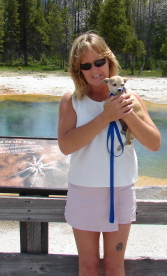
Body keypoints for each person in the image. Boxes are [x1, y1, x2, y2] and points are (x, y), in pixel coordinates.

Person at [58, 31, 161, 276]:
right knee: (89, 265)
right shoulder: (71, 100)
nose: (94, 69)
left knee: (115, 265)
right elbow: (66, 146)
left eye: (99, 62)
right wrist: (105, 117)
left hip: (121, 190)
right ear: (78, 70)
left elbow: (154, 143)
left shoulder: (131, 98)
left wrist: (127, 114)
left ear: (109, 60)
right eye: (86, 65)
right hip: (83, 190)